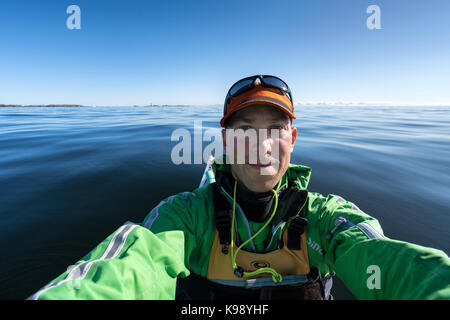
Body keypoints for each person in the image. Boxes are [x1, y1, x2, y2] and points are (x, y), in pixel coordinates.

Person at [29, 75, 450, 300]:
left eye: (275, 129)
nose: (262, 144)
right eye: (246, 130)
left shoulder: (325, 218)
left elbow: (392, 263)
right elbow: (127, 268)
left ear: (293, 139)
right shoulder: (185, 216)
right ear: (227, 141)